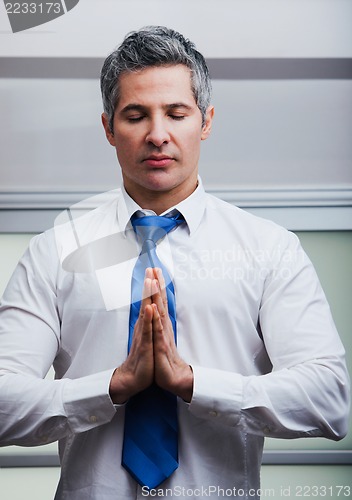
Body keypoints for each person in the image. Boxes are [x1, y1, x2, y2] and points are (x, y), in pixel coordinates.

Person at [0, 26, 350, 500]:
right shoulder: (56, 252)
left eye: (176, 113)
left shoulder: (269, 249)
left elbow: (329, 401)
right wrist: (111, 387)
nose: (157, 135)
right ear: (108, 128)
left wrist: (194, 383)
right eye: (136, 115)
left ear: (205, 122)